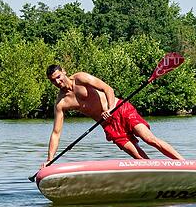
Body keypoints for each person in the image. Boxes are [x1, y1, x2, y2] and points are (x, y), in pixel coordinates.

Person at [41, 64, 183, 167]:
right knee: (138, 157)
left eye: (58, 77)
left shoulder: (80, 78)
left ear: (64, 71)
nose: (57, 82)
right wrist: (50, 159)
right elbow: (56, 133)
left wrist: (110, 108)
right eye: (53, 81)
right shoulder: (61, 103)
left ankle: (183, 163)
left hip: (120, 109)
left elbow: (107, 89)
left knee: (149, 139)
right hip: (109, 125)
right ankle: (158, 175)